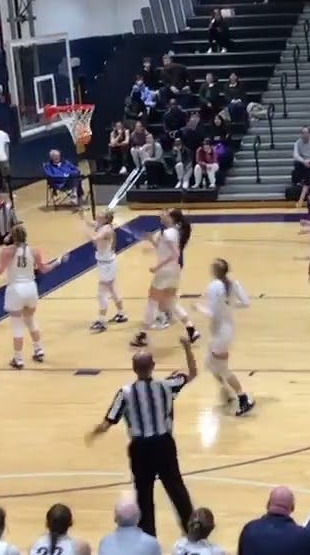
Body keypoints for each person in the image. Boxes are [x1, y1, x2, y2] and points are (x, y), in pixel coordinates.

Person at [87, 337, 199, 537]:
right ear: (153, 366)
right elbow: (192, 373)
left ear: (133, 369)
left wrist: (93, 433)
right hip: (164, 444)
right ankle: (193, 532)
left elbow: (107, 423)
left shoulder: (125, 393)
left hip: (140, 448)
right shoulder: (167, 386)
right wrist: (187, 348)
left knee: (143, 495)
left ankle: (148, 537)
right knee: (176, 489)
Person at [0, 224, 59, 369]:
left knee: (17, 325)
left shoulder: (7, 251)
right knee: (30, 320)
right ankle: (38, 349)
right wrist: (58, 262)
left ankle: (18, 358)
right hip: (31, 288)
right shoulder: (34, 250)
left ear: (12, 236)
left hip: (15, 289)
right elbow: (44, 269)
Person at [195, 258, 255, 416]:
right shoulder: (234, 284)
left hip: (220, 332)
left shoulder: (214, 286)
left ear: (215, 271)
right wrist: (230, 306)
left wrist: (198, 308)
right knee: (209, 363)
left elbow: (212, 314)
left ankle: (243, 398)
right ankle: (227, 392)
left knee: (222, 368)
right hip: (227, 329)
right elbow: (246, 303)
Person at [132, 209, 199, 348]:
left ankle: (142, 334)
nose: (162, 213)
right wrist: (152, 240)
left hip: (165, 272)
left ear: (172, 218)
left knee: (152, 301)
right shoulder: (173, 232)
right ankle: (191, 329)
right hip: (173, 272)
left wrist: (157, 267)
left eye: (166, 212)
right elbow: (164, 250)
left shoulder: (169, 233)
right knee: (170, 303)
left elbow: (175, 254)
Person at [83, 209, 128, 333]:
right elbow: (92, 223)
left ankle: (101, 321)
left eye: (101, 214)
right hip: (107, 262)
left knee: (101, 293)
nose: (98, 214)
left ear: (106, 219)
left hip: (106, 265)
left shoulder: (106, 229)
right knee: (113, 290)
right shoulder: (102, 225)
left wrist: (86, 232)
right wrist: (83, 216)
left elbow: (94, 238)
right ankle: (122, 314)